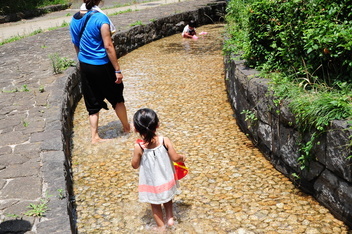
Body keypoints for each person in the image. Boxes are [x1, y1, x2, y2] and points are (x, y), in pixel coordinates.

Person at [69, 0, 130, 143]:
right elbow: (108, 46)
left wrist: (83, 62)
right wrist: (117, 70)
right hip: (101, 65)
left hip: (85, 64)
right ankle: (126, 127)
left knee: (92, 100)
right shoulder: (101, 18)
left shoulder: (74, 19)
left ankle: (94, 137)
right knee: (117, 97)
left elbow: (76, 44)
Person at [131, 108, 186, 229]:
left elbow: (134, 165)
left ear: (136, 129)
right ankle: (170, 218)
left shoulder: (139, 146)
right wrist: (182, 157)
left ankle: (161, 227)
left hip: (152, 183)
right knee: (167, 198)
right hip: (166, 179)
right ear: (157, 125)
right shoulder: (164, 140)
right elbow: (175, 158)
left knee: (155, 205)